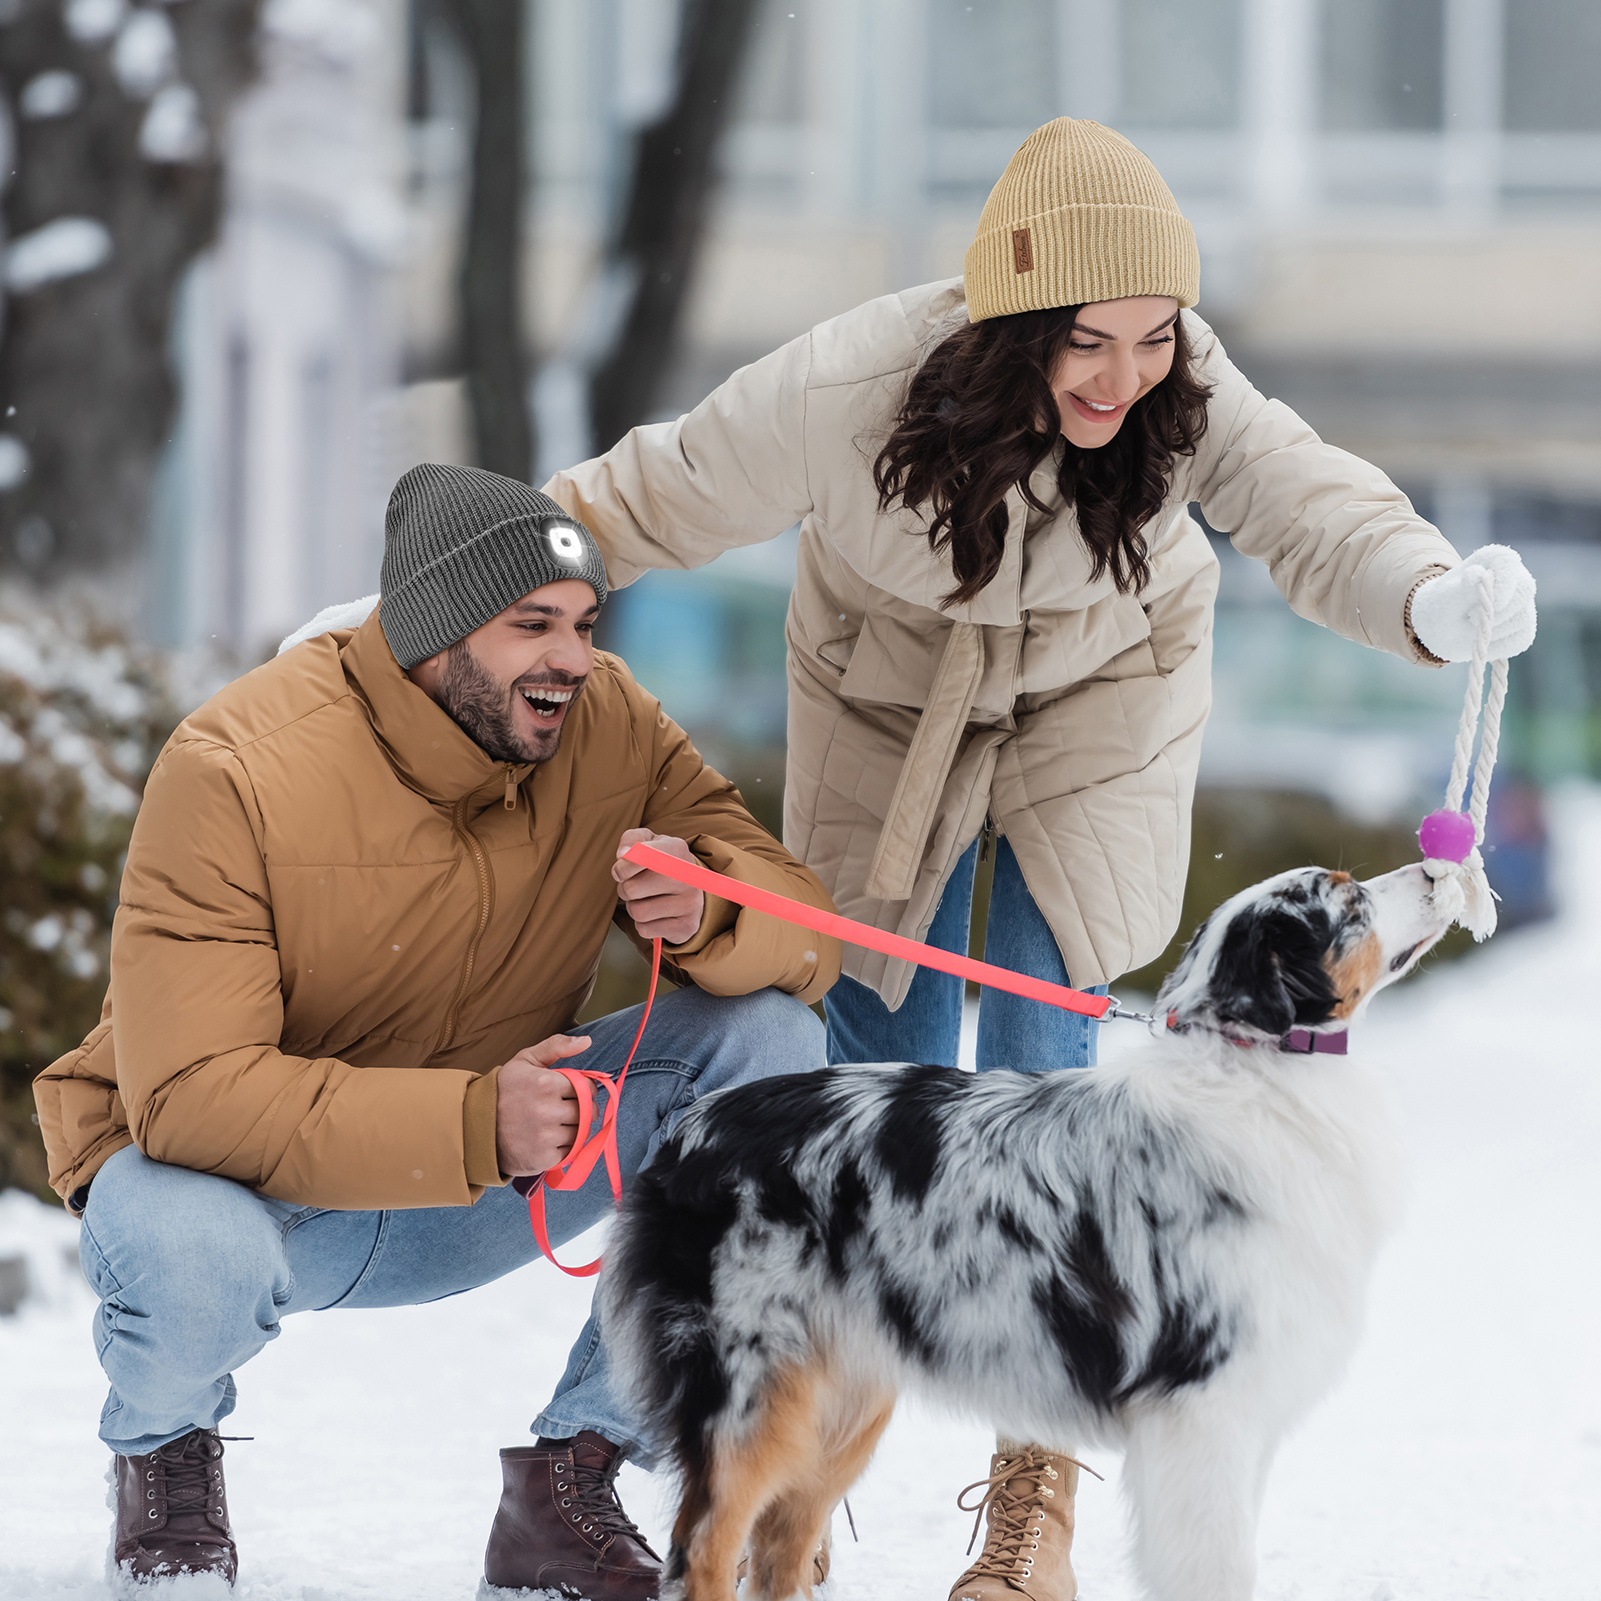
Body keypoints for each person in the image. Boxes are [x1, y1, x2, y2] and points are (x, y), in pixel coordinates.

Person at [538, 119, 1539, 1601]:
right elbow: (648, 492)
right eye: (1088, 340)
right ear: (1010, 317)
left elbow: (1309, 503)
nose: (1125, 373)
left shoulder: (1182, 395)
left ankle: (1032, 1516)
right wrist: (462, 585)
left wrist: (1431, 596)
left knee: (1055, 1097)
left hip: (1098, 732)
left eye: (1151, 339)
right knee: (859, 1103)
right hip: (891, 729)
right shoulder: (854, 382)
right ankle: (736, 1486)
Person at [32, 464, 842, 1599]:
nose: (570, 655)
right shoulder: (232, 766)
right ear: (433, 629)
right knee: (183, 1235)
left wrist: (714, 906)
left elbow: (806, 934)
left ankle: (573, 1478)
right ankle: (165, 1465)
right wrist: (470, 1118)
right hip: (248, 1198)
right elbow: (192, 1097)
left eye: (582, 623)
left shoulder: (606, 724)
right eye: (531, 626)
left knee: (768, 1049)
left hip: (481, 1181)